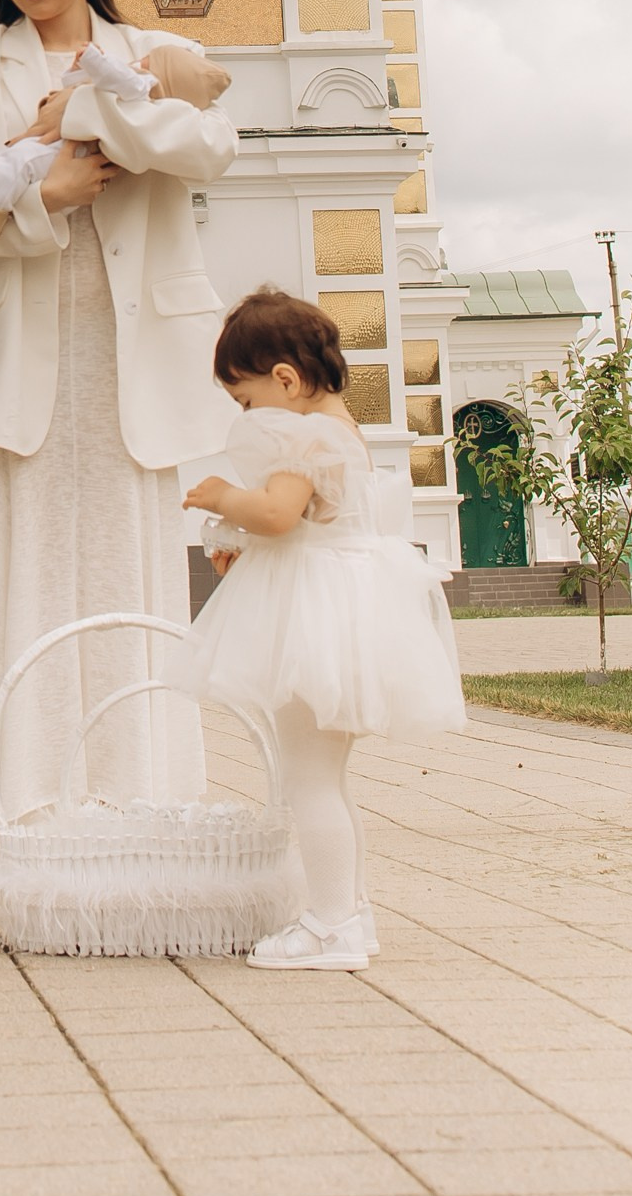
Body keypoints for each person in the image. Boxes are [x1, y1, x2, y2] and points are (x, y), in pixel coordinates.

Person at [0, 0, 238, 824]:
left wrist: (87, 114)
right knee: (21, 563)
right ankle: (31, 799)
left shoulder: (155, 53)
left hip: (129, 345)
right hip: (16, 338)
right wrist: (46, 200)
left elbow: (210, 148)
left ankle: (143, 791)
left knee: (125, 559)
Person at [175, 288, 467, 970]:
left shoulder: (301, 435)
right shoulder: (342, 430)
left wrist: (223, 497)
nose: (247, 417)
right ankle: (351, 913)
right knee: (327, 780)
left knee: (308, 781)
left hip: (316, 619)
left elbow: (279, 515)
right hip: (345, 607)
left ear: (284, 379)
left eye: (245, 400)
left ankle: (330, 925)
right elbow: (308, 523)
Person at [0, 33, 229, 236]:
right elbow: (80, 85)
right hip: (60, 147)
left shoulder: (142, 84)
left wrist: (92, 65)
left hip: (69, 153)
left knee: (24, 161)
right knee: (13, 157)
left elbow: (112, 79)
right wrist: (80, 72)